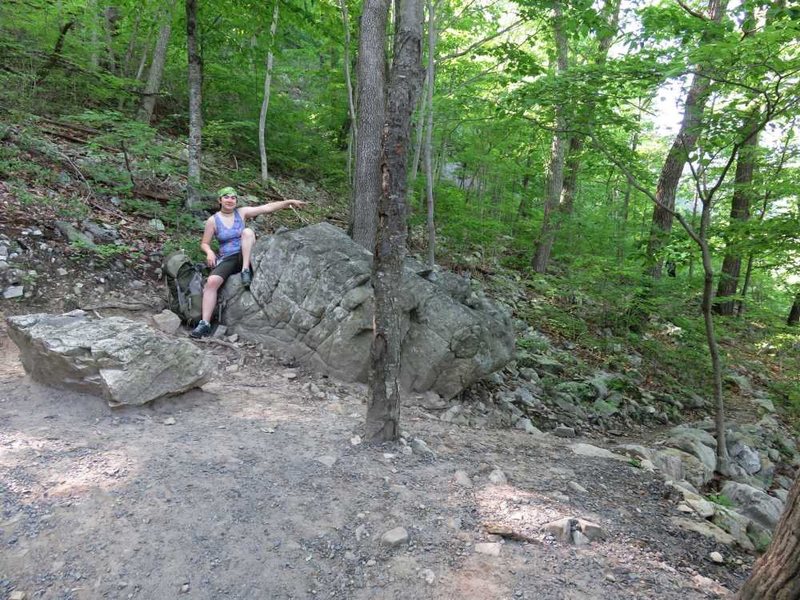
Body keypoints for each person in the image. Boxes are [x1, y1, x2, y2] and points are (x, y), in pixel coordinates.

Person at [190, 186, 306, 338]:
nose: (230, 200)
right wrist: (209, 251)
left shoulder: (241, 212)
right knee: (211, 282)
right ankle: (204, 324)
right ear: (220, 200)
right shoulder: (213, 220)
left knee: (248, 232)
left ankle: (246, 270)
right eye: (226, 197)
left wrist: (288, 202)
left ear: (236, 201)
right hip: (228, 257)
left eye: (233, 197)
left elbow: (267, 208)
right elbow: (204, 242)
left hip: (248, 254)